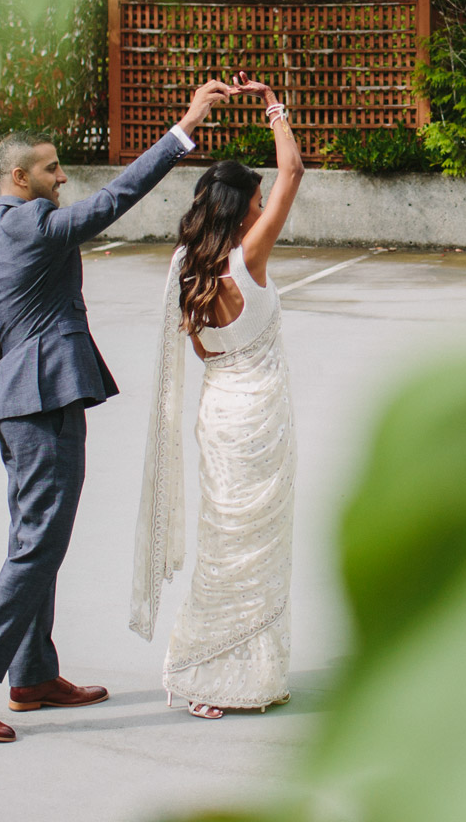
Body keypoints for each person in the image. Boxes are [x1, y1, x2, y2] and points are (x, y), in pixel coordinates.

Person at [0, 77, 235, 744]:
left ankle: (33, 675)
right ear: (19, 177)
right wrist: (186, 126)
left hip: (15, 405)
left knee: (32, 540)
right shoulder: (39, 226)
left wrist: (25, 366)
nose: (61, 177)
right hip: (45, 404)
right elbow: (114, 200)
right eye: (50, 168)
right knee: (42, 541)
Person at [130, 73, 304, 718]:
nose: (263, 210)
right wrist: (272, 106)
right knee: (257, 543)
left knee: (225, 539)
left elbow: (201, 351)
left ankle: (217, 670)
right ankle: (225, 672)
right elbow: (293, 170)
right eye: (257, 202)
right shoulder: (248, 259)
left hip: (219, 414)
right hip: (261, 416)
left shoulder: (187, 268)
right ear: (243, 210)